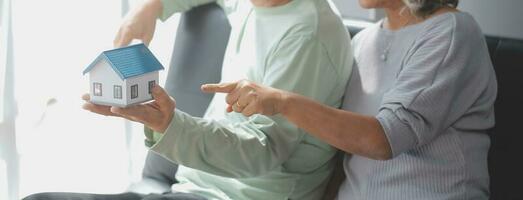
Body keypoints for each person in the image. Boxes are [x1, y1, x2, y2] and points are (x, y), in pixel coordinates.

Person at [24, 0, 352, 199]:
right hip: (193, 190)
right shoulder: (259, 5)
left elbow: (262, 152)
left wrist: (169, 124)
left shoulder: (307, 35)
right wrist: (153, 7)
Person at [201, 0, 498, 199]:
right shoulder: (363, 42)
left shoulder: (452, 31)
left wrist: (282, 102)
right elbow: (343, 155)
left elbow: (384, 140)